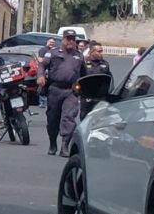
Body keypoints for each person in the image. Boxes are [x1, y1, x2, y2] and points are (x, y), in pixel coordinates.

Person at [38, 29, 87, 157]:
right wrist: (41, 76)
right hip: (55, 89)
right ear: (63, 39)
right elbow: (42, 65)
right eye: (68, 38)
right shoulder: (53, 53)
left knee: (69, 118)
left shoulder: (79, 56)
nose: (71, 41)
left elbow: (84, 74)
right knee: (53, 119)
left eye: (73, 39)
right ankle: (52, 143)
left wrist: (84, 90)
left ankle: (65, 145)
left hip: (71, 91)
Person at [80, 43, 112, 120]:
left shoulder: (105, 64)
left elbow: (109, 79)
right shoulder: (83, 64)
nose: (101, 53)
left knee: (99, 119)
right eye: (99, 51)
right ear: (92, 52)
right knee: (84, 118)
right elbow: (79, 79)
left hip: (100, 96)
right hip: (87, 96)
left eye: (102, 51)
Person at [37, 38, 56, 108]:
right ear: (47, 42)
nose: (52, 43)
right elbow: (40, 60)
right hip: (44, 70)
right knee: (43, 86)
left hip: (52, 71)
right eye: (50, 42)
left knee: (50, 87)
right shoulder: (43, 50)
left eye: (53, 42)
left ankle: (49, 102)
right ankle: (41, 102)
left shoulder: (55, 51)